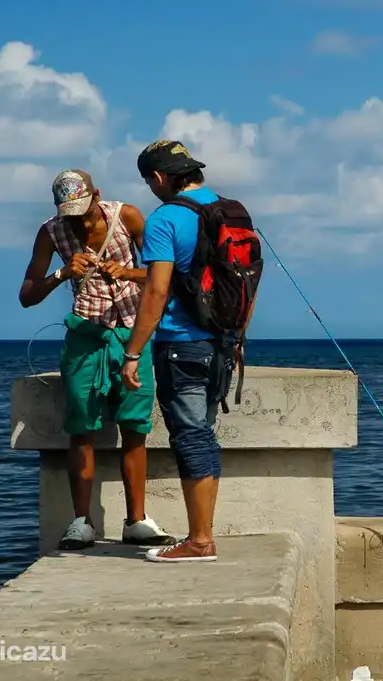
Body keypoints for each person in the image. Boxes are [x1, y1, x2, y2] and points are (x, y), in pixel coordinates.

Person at [19, 169, 176, 550]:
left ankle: (136, 520)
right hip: (85, 335)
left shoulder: (128, 217)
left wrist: (127, 272)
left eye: (84, 210)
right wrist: (60, 274)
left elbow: (163, 276)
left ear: (98, 196)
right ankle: (81, 522)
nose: (79, 220)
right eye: (70, 213)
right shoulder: (51, 232)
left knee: (135, 427)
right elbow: (26, 295)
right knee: (81, 430)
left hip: (130, 336)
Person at [122, 140, 243, 563]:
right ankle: (202, 535)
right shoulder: (233, 211)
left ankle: (200, 540)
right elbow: (246, 279)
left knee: (191, 438)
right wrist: (236, 335)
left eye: (148, 181)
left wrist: (133, 351)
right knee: (205, 435)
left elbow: (156, 290)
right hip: (223, 343)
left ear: (158, 178)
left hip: (180, 344)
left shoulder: (165, 218)